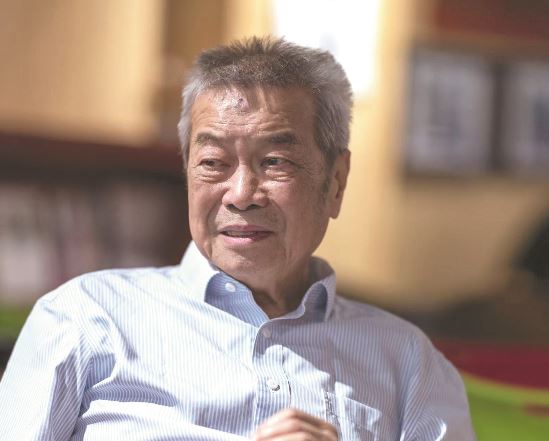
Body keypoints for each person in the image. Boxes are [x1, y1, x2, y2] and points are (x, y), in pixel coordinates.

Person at [0, 37, 475, 440]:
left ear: (335, 181)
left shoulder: (408, 365)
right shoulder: (84, 318)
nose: (242, 194)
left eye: (275, 162)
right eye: (213, 163)